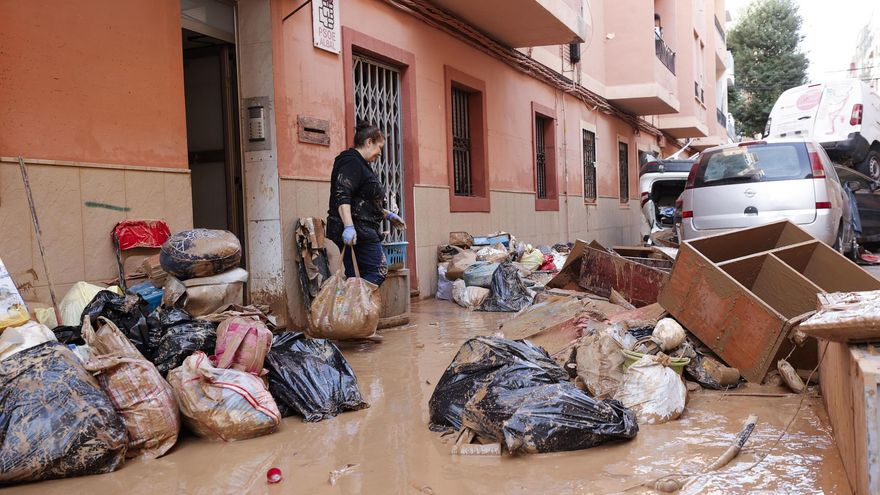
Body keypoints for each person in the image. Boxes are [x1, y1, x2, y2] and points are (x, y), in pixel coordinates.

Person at [326, 122, 406, 287]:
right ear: (369, 142)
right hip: (358, 231)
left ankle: (354, 310)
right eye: (380, 147)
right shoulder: (351, 161)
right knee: (378, 270)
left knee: (356, 275)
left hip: (361, 228)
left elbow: (362, 200)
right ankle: (353, 306)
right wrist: (349, 226)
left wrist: (387, 215)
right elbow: (342, 195)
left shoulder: (361, 164)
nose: (380, 153)